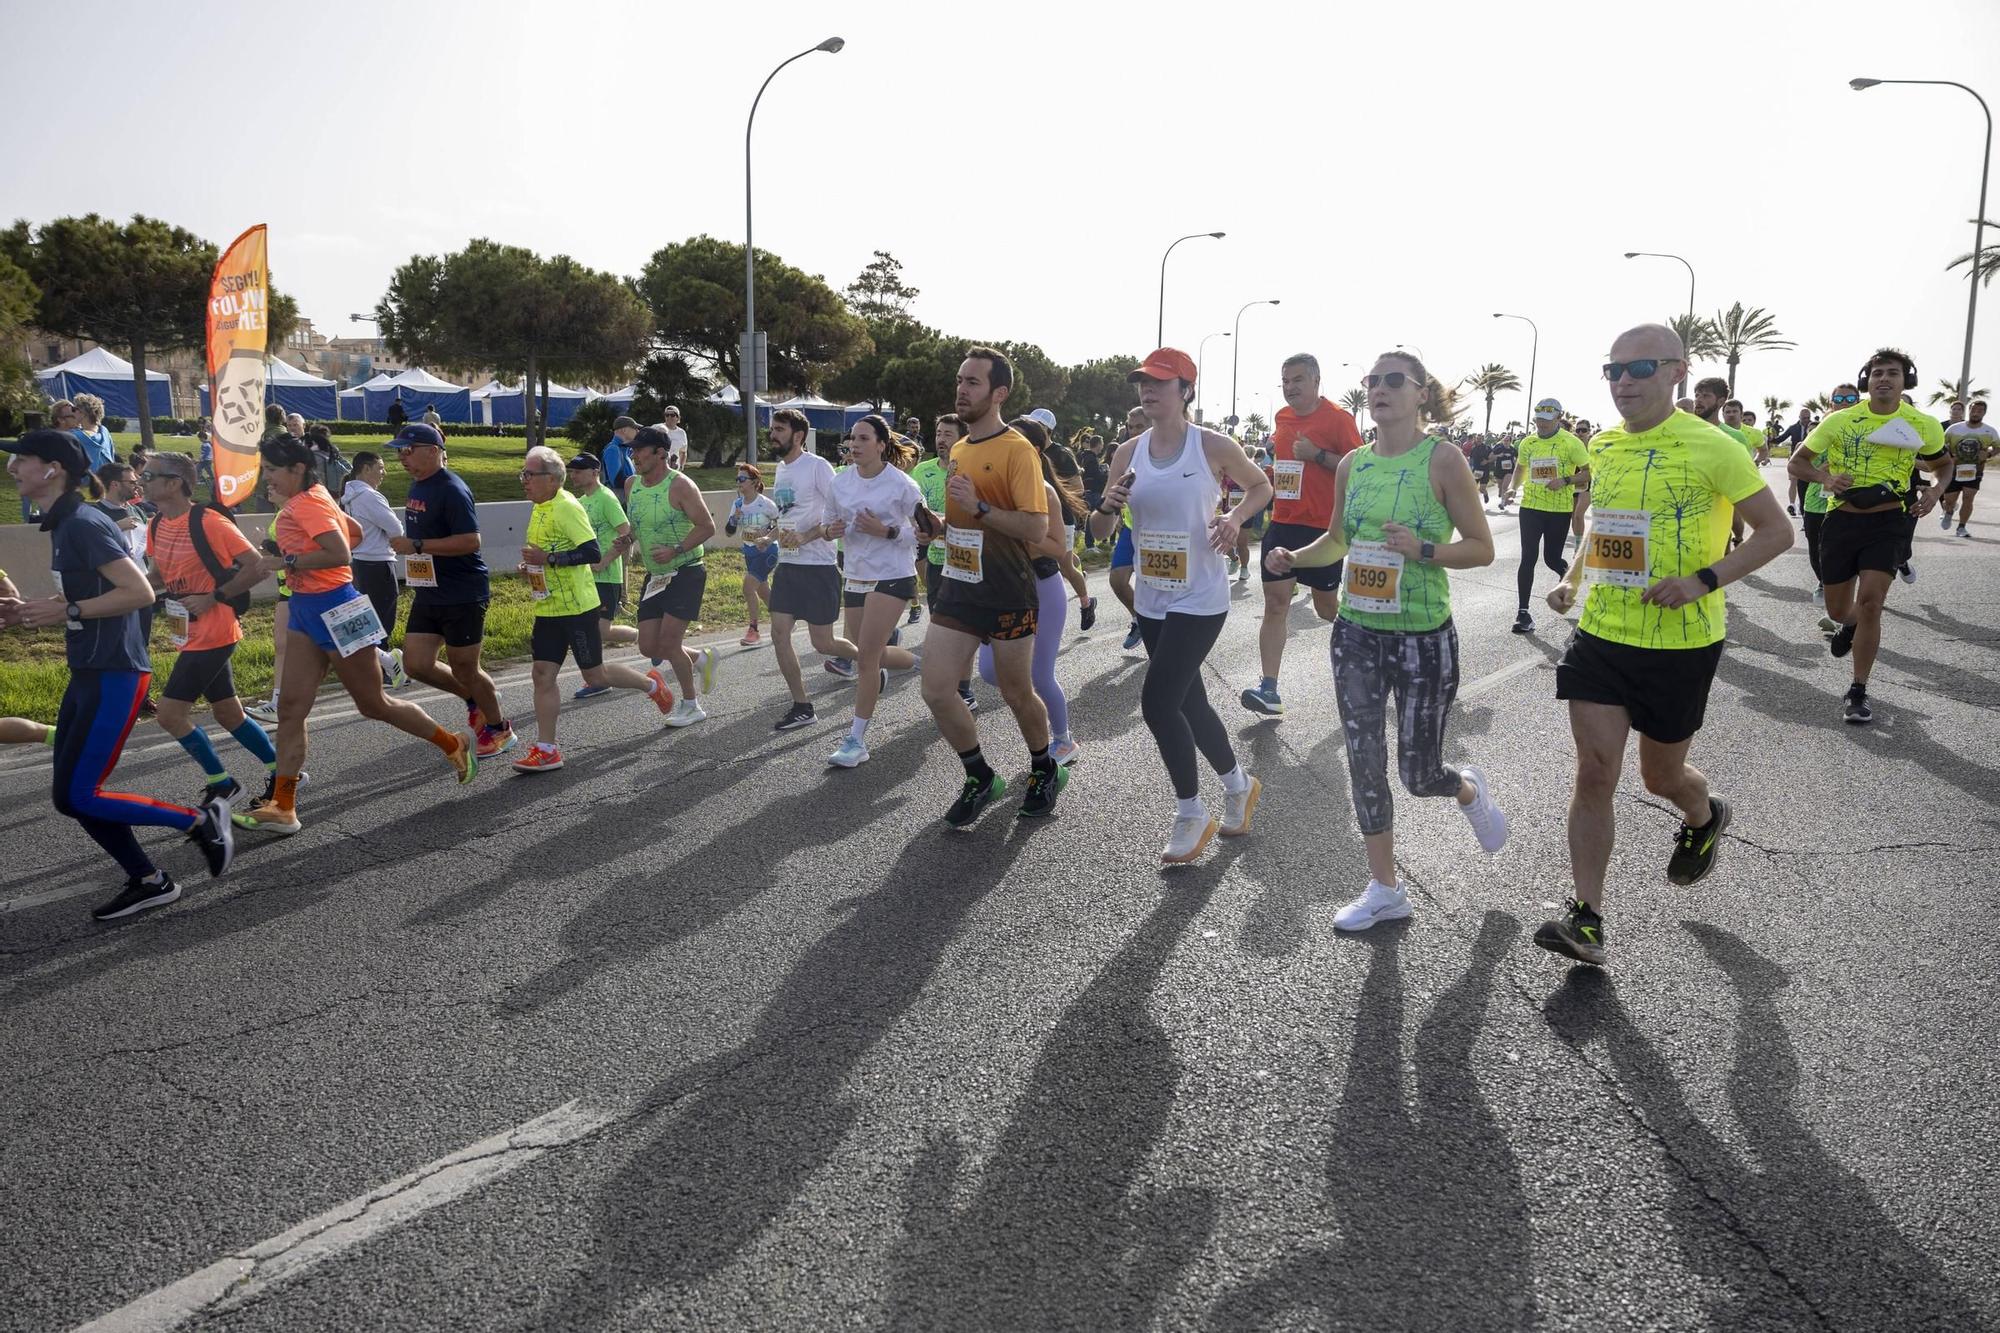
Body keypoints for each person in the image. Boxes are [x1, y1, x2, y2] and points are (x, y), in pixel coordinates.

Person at [1534, 324, 1791, 966]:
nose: (1623, 381)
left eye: (1639, 368)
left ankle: (1704, 816)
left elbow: (1775, 532)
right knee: (1595, 772)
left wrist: (1701, 581)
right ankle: (1586, 916)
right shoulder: (1607, 444)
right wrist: (1571, 580)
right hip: (1602, 637)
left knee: (1661, 775)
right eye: (1612, 369)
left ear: (1677, 371)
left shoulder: (1717, 447)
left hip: (1682, 644)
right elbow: (1602, 525)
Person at [1265, 350, 1507, 928]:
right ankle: (1385, 888)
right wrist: (1292, 557)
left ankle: (1467, 789)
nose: (1379, 388)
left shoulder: (1444, 461)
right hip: (1357, 633)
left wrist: (1423, 549)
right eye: (1372, 380)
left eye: (1393, 380)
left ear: (1421, 393)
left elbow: (1482, 547)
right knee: (1363, 758)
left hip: (1424, 636)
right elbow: (1338, 540)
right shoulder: (1353, 464)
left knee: (1419, 774)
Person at [1, 429, 234, 919]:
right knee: (71, 795)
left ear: (53, 469)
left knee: (79, 793)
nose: (11, 469)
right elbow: (87, 600)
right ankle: (150, 880)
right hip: (89, 670)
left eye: (22, 460)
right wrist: (29, 611)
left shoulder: (83, 523)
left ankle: (197, 821)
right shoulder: (66, 523)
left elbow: (138, 593)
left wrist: (68, 612)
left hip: (116, 673)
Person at [235, 434, 477, 831]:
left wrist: (286, 560)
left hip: (340, 607)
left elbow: (341, 552)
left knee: (374, 704)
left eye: (273, 470)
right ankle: (283, 805)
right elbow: (353, 532)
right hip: (305, 609)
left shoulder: (309, 502)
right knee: (291, 708)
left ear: (297, 469)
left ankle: (453, 743)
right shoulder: (317, 498)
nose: (268, 478)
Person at [1088, 348, 1271, 860]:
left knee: (1158, 703)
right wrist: (1107, 508)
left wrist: (1234, 518)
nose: (1148, 392)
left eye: (1160, 384)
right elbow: (1099, 531)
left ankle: (1191, 813)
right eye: (1143, 384)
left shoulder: (1211, 446)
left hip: (1201, 595)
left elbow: (1261, 486)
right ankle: (1239, 786)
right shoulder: (1128, 453)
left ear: (1186, 391)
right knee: (1190, 701)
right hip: (1151, 597)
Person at [916, 347, 1071, 823]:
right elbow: (969, 521)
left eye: (973, 383)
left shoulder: (1017, 451)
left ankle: (1045, 767)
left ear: (999, 393)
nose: (962, 390)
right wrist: (940, 525)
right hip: (961, 587)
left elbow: (1033, 530)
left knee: (1016, 691)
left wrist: (981, 508)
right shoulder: (960, 450)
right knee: (937, 689)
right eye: (960, 381)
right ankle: (981, 776)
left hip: (1008, 590)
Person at [1787, 348, 1948, 725]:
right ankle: (1850, 623)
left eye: (1892, 373)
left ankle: (1857, 689)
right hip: (1842, 521)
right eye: (1877, 373)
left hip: (1889, 521)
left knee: (1872, 603)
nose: (1884, 379)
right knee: (1840, 610)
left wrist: (1935, 491)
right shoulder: (1841, 421)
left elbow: (1943, 465)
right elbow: (1797, 461)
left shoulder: (1922, 424)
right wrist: (1826, 478)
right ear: (1867, 380)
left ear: (1905, 380)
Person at [511, 445, 676, 772]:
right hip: (548, 607)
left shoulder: (568, 508)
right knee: (542, 674)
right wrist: (533, 567)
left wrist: (550, 560)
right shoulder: (539, 507)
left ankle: (652, 685)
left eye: (529, 474)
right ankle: (547, 749)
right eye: (523, 474)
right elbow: (550, 551)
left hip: (577, 607)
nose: (524, 480)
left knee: (594, 674)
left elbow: (589, 552)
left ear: (551, 479)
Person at [139, 452, 283, 804]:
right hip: (188, 631)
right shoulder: (157, 524)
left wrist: (213, 597)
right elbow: (158, 577)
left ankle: (223, 783)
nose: (142, 481)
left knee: (171, 715)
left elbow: (257, 566)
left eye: (149, 476)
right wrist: (120, 591)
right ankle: (284, 772)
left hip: (214, 631)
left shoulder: (209, 522)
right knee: (229, 713)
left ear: (174, 484)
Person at [1241, 353, 1363, 717]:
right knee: (1276, 604)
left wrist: (1319, 455)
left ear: (1315, 381)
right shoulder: (1281, 417)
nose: (1289, 387)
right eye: (1285, 380)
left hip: (1323, 529)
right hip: (1283, 522)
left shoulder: (1339, 419)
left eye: (1297, 380)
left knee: (1326, 608)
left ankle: (1361, 649)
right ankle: (1269, 688)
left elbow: (1359, 468)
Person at [386, 423, 516, 758]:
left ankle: (500, 729)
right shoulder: (418, 484)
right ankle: (477, 699)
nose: (402, 457)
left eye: (408, 450)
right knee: (415, 663)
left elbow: (472, 541)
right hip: (429, 589)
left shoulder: (452, 489)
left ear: (433, 450)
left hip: (462, 591)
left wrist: (416, 544)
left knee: (466, 668)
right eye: (399, 451)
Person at [973, 417, 1087, 768]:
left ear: (1033, 451)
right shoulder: (992, 489)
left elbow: (1057, 549)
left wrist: (1015, 536)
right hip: (997, 588)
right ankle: (1034, 714)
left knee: (1039, 674)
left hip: (1041, 588)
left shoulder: (1045, 491)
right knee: (992, 672)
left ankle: (1063, 739)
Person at [824, 415, 929, 767]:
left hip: (893, 575)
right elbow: (827, 524)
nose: (854, 444)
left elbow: (925, 532)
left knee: (867, 658)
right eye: (852, 438)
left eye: (863, 438)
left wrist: (887, 532)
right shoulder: (840, 483)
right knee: (868, 652)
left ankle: (855, 740)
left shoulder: (902, 485)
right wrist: (831, 529)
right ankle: (921, 663)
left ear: (882, 444)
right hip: (856, 574)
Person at [764, 408, 865, 732]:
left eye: (779, 429)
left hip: (818, 566)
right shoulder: (780, 470)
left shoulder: (818, 467)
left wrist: (807, 536)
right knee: (779, 632)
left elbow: (841, 514)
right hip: (788, 565)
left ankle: (868, 662)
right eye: (772, 429)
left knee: (824, 643)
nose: (773, 435)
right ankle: (802, 706)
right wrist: (771, 536)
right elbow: (788, 514)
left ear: (798, 435)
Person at [624, 426, 717, 728]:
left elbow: (706, 527)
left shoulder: (681, 486)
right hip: (657, 575)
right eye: (632, 450)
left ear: (661, 453)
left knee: (670, 642)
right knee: (649, 647)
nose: (634, 455)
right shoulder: (632, 485)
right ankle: (701, 659)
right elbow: (638, 523)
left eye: (640, 450)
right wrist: (627, 540)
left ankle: (691, 706)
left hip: (686, 570)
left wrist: (676, 549)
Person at [910, 415, 979, 711]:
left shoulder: (972, 469)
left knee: (964, 625)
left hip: (966, 558)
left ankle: (964, 687)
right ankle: (950, 683)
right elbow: (910, 511)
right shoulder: (921, 471)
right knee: (940, 620)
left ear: (961, 438)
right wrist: (920, 528)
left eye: (948, 434)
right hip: (936, 559)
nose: (941, 439)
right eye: (938, 433)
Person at [1511, 397, 1591, 634]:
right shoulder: (1528, 442)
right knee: (1528, 558)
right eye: (1538, 420)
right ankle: (1523, 613)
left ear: (1558, 418)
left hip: (1558, 510)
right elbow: (1520, 467)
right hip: (1530, 508)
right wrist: (1512, 488)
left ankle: (1564, 574)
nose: (1542, 424)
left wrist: (1565, 480)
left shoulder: (1571, 442)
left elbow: (1587, 473)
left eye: (1547, 420)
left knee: (1551, 559)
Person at [565, 454, 641, 677]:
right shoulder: (580, 503)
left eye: (579, 471)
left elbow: (626, 532)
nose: (573, 475)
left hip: (607, 576)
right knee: (591, 630)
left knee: (601, 630)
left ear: (595, 472)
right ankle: (596, 678)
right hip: (586, 577)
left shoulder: (606, 498)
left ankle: (646, 639)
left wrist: (604, 561)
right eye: (571, 471)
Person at [340, 450, 409, 690]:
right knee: (382, 620)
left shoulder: (348, 496)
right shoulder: (369, 496)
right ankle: (386, 671)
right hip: (378, 563)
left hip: (359, 563)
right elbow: (395, 528)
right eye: (380, 467)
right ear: (366, 468)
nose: (384, 473)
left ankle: (371, 671)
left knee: (368, 621)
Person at [1027, 406, 1096, 625]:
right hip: (1037, 518)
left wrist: (1052, 498)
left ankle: (1086, 604)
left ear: (1046, 429)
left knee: (1065, 567)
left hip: (1061, 518)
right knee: (1061, 559)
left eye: (1034, 424)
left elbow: (1078, 487)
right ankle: (1079, 575)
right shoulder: (1026, 450)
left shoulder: (1062, 454)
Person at [725, 462, 780, 646]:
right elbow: (728, 532)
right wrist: (734, 519)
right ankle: (784, 620)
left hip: (767, 551)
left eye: (742, 479)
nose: (739, 482)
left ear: (754, 482)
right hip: (749, 552)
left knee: (748, 588)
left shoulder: (766, 504)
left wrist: (768, 538)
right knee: (763, 591)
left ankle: (754, 630)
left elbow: (783, 525)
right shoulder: (738, 504)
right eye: (737, 479)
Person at [1109, 404, 1149, 651]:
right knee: (1117, 580)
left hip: (1159, 534)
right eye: (1130, 427)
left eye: (1139, 426)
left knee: (1159, 589)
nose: (1133, 431)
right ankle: (1139, 619)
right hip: (1130, 528)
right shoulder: (1126, 453)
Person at [1941, 398, 1996, 537]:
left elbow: (1998, 447)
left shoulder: (1989, 431)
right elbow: (1941, 445)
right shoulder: (1954, 428)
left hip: (1975, 471)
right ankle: (1948, 511)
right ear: (1969, 411)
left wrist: (1989, 454)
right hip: (1954, 470)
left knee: (1968, 497)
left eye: (1980, 411)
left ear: (1984, 413)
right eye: (1973, 410)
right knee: (1949, 501)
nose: (1976, 413)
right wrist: (1950, 457)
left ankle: (1961, 527)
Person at [71, 394, 117, 472]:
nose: (73, 413)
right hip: (107, 480)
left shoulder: (74, 436)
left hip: (85, 482)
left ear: (83, 412)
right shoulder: (105, 432)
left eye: (74, 409)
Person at [601, 417, 640, 504]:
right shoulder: (613, 449)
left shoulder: (624, 450)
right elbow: (616, 481)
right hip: (617, 503)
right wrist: (642, 481)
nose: (638, 431)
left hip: (624, 501)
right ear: (624, 430)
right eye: (635, 428)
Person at [1489, 432, 1519, 508]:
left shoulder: (1513, 450)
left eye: (1507, 440)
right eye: (1504, 440)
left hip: (1509, 470)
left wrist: (1516, 463)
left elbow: (1518, 458)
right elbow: (1490, 457)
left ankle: (1502, 503)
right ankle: (1506, 499)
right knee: (1500, 486)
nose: (1506, 442)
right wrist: (1498, 455)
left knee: (1504, 487)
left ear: (1510, 442)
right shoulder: (1498, 448)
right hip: (1499, 470)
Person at [660, 405, 690, 472]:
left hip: (675, 469)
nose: (669, 417)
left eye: (672, 415)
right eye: (667, 415)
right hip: (659, 469)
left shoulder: (682, 433)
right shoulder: (658, 428)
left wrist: (681, 466)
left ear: (678, 417)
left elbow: (683, 452)